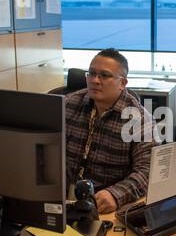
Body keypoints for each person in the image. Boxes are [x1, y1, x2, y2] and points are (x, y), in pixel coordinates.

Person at [65, 48, 158, 213]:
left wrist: (116, 195)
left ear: (122, 83)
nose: (95, 80)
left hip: (105, 205)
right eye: (91, 73)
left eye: (104, 75)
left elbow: (148, 170)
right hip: (62, 198)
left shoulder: (140, 119)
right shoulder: (69, 104)